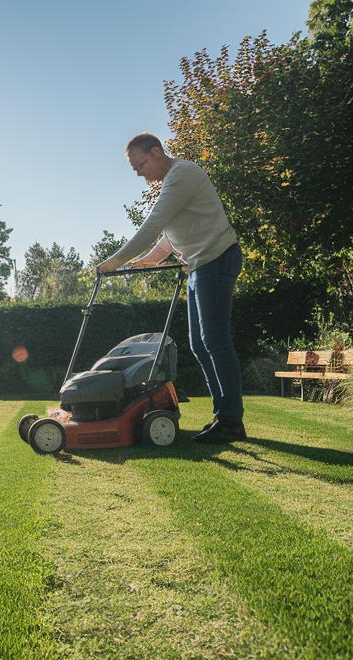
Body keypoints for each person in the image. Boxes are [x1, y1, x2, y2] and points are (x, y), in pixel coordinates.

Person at [95, 133, 245, 442]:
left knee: (215, 341)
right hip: (198, 266)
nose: (139, 173)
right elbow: (167, 239)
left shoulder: (183, 174)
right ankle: (223, 415)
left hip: (216, 258)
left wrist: (114, 261)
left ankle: (231, 420)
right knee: (199, 344)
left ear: (155, 151)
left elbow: (153, 224)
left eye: (140, 165)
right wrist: (141, 261)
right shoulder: (170, 184)